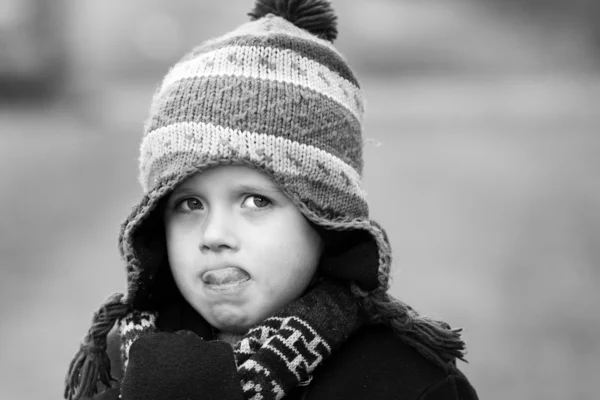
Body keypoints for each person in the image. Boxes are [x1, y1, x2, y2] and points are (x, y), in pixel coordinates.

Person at [64, 1, 479, 399]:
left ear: (324, 220)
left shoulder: (406, 382)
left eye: (255, 202)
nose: (214, 235)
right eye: (190, 204)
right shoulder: (126, 358)